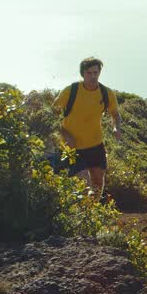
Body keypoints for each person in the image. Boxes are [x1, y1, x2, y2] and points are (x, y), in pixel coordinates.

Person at [52, 56, 121, 197]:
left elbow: (116, 115)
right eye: (89, 73)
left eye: (95, 73)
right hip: (72, 148)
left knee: (98, 184)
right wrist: (65, 134)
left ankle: (94, 215)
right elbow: (51, 116)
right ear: (82, 74)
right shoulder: (70, 91)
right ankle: (84, 214)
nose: (93, 76)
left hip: (96, 145)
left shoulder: (106, 93)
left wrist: (116, 128)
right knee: (84, 185)